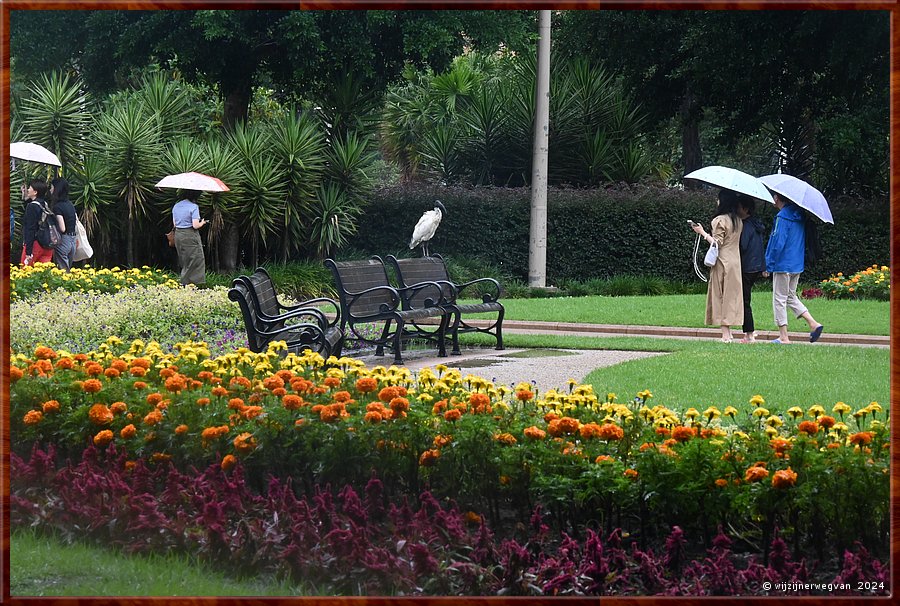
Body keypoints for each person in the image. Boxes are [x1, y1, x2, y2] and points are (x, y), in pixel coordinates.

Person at [764, 192, 824, 344]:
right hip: (796, 264)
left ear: (777, 198)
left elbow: (778, 243)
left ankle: (784, 337)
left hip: (782, 264)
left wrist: (768, 265)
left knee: (779, 299)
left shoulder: (782, 217)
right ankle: (813, 324)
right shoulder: (799, 215)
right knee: (790, 296)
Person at [691, 189, 744, 342]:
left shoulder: (719, 220)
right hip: (735, 261)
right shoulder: (738, 221)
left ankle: (726, 334)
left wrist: (702, 232)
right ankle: (730, 330)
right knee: (732, 296)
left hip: (722, 262)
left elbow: (717, 243)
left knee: (720, 295)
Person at [736, 196, 766, 343]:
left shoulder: (746, 225)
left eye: (739, 207)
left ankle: (749, 333)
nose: (736, 209)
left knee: (744, 301)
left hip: (746, 266)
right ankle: (748, 332)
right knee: (745, 299)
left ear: (745, 209)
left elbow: (743, 245)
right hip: (756, 266)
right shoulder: (756, 224)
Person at [171, 189, 208, 286]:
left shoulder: (176, 205)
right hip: (190, 235)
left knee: (184, 259)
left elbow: (175, 224)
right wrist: (202, 222)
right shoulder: (193, 207)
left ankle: (185, 283)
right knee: (195, 259)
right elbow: (195, 225)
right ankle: (190, 284)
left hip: (178, 235)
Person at [20, 179, 54, 266]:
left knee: (25, 274)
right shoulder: (45, 204)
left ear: (35, 192)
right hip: (47, 244)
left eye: (30, 188)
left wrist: (28, 251)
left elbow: (30, 228)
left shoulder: (32, 207)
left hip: (35, 245)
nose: (28, 190)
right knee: (43, 275)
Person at [50, 177, 78, 271]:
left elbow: (62, 228)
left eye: (52, 187)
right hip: (73, 240)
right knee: (67, 268)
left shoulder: (57, 207)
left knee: (63, 271)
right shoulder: (70, 204)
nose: (51, 189)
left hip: (64, 240)